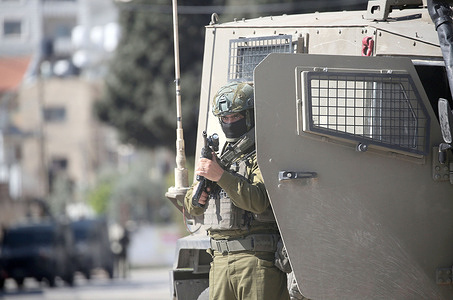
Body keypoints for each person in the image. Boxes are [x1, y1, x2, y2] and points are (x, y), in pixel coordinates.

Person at [184, 82, 290, 300]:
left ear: (250, 116)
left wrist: (220, 176)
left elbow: (259, 201)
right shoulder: (220, 157)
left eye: (236, 117)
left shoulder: (263, 155)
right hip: (220, 261)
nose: (230, 123)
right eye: (225, 118)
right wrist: (198, 197)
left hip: (255, 261)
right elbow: (191, 207)